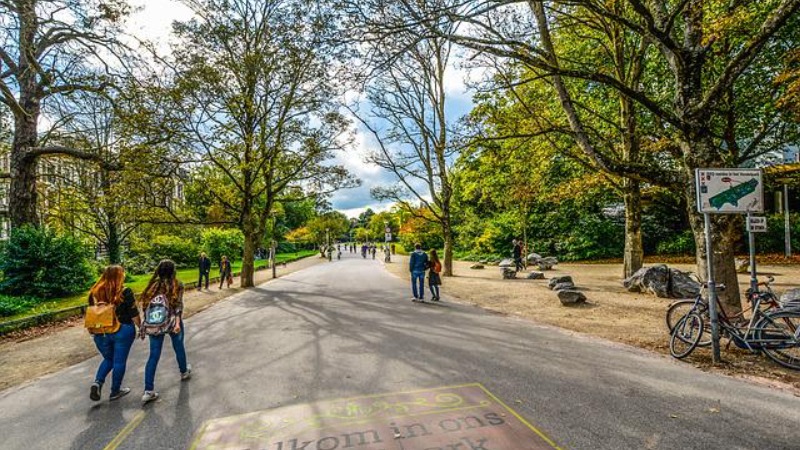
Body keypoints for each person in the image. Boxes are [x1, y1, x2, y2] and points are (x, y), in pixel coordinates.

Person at [139, 260, 191, 404]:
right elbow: (178, 305)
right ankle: (183, 371)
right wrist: (178, 322)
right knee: (178, 346)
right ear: (173, 271)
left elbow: (145, 306)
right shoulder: (177, 284)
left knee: (153, 355)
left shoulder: (152, 286)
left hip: (155, 323)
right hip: (172, 320)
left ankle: (148, 390)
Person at [88, 265, 140, 402]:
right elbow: (134, 313)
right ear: (119, 275)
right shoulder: (125, 291)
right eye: (122, 273)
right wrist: (141, 326)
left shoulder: (95, 292)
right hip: (122, 329)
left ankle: (98, 382)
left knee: (109, 359)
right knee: (119, 361)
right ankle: (115, 391)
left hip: (101, 331)